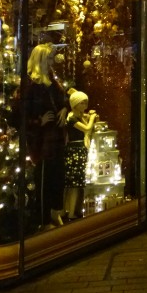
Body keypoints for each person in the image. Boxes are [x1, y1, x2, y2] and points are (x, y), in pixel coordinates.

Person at [23, 40, 68, 228]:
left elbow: (63, 99)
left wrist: (64, 109)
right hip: (42, 142)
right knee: (43, 180)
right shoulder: (32, 85)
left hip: (55, 139)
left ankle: (54, 212)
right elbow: (21, 115)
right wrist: (38, 122)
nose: (51, 62)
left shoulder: (51, 82)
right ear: (41, 59)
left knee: (56, 177)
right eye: (48, 58)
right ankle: (43, 219)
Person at [63, 90, 97, 221]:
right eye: (82, 103)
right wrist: (92, 118)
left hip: (79, 151)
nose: (85, 106)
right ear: (75, 104)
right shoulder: (72, 118)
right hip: (74, 151)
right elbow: (87, 128)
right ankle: (71, 213)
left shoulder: (79, 116)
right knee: (74, 184)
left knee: (77, 183)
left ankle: (74, 211)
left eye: (85, 103)